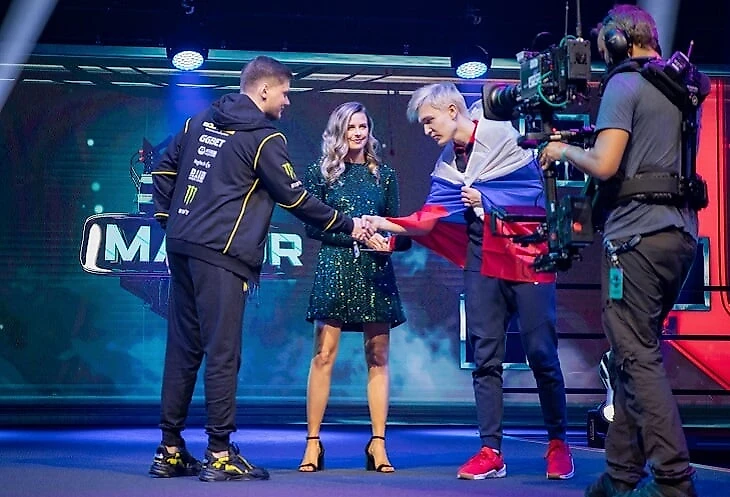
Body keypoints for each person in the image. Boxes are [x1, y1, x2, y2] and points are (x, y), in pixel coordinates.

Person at [149, 55, 367, 482]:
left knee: (183, 349)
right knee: (222, 354)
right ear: (264, 89)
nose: (287, 101)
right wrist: (350, 225)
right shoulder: (266, 139)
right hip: (221, 256)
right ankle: (219, 453)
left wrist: (169, 220)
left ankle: (170, 450)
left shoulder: (198, 122)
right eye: (285, 92)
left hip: (182, 248)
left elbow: (162, 168)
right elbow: (296, 198)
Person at [364, 82, 574, 481]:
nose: (427, 130)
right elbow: (428, 219)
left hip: (527, 253)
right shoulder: (448, 163)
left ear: (452, 111)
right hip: (482, 256)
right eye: (423, 124)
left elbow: (537, 198)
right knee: (485, 356)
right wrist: (383, 224)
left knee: (541, 353)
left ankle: (557, 442)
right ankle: (490, 450)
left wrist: (488, 202)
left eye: (430, 120)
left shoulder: (505, 136)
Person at [540, 5, 706, 497]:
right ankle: (621, 473)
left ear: (617, 42)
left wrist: (561, 150)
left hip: (635, 238)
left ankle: (673, 481)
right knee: (633, 353)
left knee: (636, 357)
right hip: (678, 236)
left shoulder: (625, 84)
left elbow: (606, 163)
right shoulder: (680, 88)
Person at [298, 101, 406, 474]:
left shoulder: (384, 175)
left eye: (363, 127)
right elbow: (312, 226)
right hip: (335, 268)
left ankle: (378, 443)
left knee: (378, 357)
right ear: (339, 132)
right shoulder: (321, 173)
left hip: (375, 272)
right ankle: (313, 443)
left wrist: (388, 243)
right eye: (351, 127)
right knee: (323, 356)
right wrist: (355, 235)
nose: (358, 133)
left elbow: (398, 228)